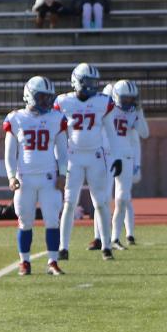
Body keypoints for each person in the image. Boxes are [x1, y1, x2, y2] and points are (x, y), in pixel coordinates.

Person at [4, 76, 69, 276]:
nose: (45, 102)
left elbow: (63, 150)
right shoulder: (16, 118)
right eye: (41, 97)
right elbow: (9, 152)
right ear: (29, 96)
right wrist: (11, 176)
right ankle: (24, 261)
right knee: (25, 221)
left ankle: (52, 261)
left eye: (48, 97)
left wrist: (63, 174)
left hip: (49, 177)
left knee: (52, 220)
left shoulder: (56, 118)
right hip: (25, 179)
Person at [56, 62, 122, 260]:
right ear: (76, 81)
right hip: (73, 158)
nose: (91, 86)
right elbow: (58, 133)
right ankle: (63, 247)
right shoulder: (63, 101)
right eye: (87, 82)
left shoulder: (102, 101)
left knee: (101, 202)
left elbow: (111, 131)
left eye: (94, 82)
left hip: (95, 157)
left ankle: (106, 246)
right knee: (69, 203)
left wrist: (117, 156)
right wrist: (58, 160)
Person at [97, 79, 148, 247]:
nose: (129, 101)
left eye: (131, 98)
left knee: (122, 199)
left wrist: (140, 112)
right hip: (108, 156)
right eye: (126, 98)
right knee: (104, 198)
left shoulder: (133, 112)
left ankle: (115, 238)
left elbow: (144, 133)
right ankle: (100, 237)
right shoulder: (107, 109)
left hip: (125, 156)